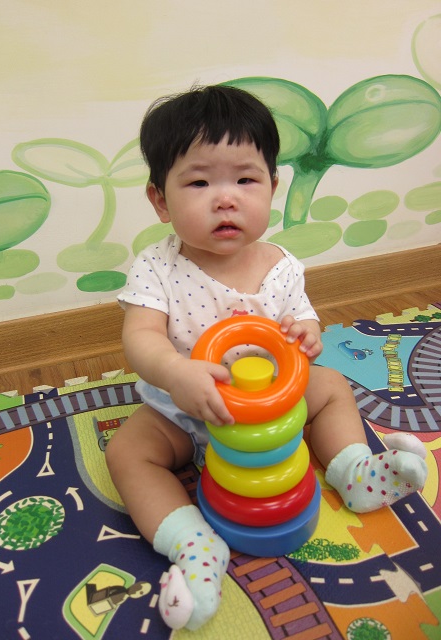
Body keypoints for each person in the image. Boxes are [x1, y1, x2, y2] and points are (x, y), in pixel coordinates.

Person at [106, 84, 427, 631]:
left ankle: (353, 470)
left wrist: (306, 334)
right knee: (127, 453)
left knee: (332, 386)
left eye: (245, 180)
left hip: (274, 415)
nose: (225, 199)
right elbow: (141, 336)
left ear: (273, 187)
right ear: (160, 200)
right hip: (185, 411)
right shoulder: (156, 267)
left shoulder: (282, 265)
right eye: (199, 182)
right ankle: (193, 544)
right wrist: (175, 372)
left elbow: (301, 319)